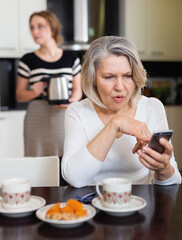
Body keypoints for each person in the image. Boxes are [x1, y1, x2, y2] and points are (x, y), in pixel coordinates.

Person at [61, 36, 181, 188]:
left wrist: (164, 169)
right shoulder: (78, 111)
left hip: (143, 205)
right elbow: (75, 179)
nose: (120, 86)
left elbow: (174, 182)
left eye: (127, 76)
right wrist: (115, 124)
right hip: (92, 203)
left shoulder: (152, 108)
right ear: (93, 78)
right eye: (109, 77)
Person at [16, 10, 82, 157]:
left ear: (52, 28)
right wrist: (34, 92)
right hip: (37, 118)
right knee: (37, 161)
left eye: (40, 26)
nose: (35, 31)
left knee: (67, 159)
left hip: (64, 116)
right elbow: (19, 94)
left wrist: (73, 101)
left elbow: (78, 89)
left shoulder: (71, 58)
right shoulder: (27, 60)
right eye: (32, 27)